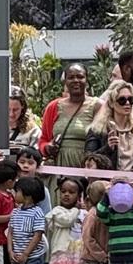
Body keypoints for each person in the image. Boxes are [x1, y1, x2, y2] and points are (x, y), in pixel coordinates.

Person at [39, 64, 101, 198]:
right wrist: (48, 147)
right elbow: (43, 139)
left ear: (87, 79)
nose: (76, 80)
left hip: (84, 167)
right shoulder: (53, 106)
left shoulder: (98, 106)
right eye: (71, 77)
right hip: (58, 167)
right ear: (65, 81)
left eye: (80, 77)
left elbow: (102, 139)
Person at [7, 177, 48, 264]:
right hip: (17, 255)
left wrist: (26, 253)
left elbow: (38, 234)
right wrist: (10, 251)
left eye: (17, 191)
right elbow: (10, 232)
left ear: (28, 195)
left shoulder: (37, 212)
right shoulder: (15, 212)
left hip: (33, 256)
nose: (14, 193)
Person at [85, 80, 133, 170]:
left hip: (132, 178)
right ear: (111, 103)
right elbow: (88, 158)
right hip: (107, 177)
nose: (127, 103)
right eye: (122, 100)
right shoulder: (98, 130)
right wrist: (107, 148)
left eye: (131, 99)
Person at [15, 146, 52, 214]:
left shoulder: (42, 190)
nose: (25, 165)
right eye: (22, 162)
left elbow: (46, 214)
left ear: (37, 167)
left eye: (30, 163)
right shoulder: (11, 186)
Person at [8, 86, 42, 151]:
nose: (11, 114)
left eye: (16, 109)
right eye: (8, 109)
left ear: (23, 107)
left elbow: (38, 154)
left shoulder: (33, 131)